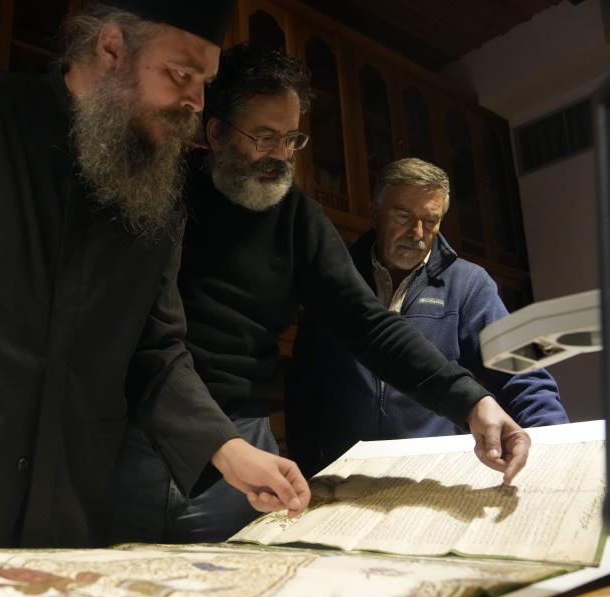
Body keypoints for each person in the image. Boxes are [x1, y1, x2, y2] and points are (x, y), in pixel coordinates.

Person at [0, 1, 313, 556]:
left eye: (204, 83)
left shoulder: (156, 193)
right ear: (112, 49)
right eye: (181, 75)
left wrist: (230, 449)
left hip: (55, 514)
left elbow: (155, 352)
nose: (197, 102)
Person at [111, 44, 532, 544]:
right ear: (217, 133)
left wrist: (471, 402)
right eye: (265, 137)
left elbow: (368, 324)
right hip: (139, 431)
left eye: (292, 139)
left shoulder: (298, 218)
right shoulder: (160, 194)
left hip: (245, 434)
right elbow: (152, 345)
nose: (281, 157)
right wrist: (216, 441)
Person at [287, 158, 568, 477]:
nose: (417, 233)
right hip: (345, 472)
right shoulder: (334, 281)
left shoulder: (469, 285)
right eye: (403, 215)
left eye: (431, 220)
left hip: (434, 472)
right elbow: (303, 390)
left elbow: (523, 373)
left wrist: (556, 453)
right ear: (375, 212)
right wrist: (305, 472)